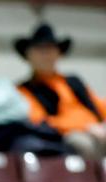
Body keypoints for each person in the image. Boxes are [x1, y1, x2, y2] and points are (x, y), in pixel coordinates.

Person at [16, 23, 106, 161]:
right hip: (68, 138)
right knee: (83, 144)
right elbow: (41, 123)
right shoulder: (25, 90)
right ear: (29, 55)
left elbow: (99, 106)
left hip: (99, 130)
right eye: (40, 49)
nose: (46, 55)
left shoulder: (73, 81)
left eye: (50, 49)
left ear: (58, 53)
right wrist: (86, 127)